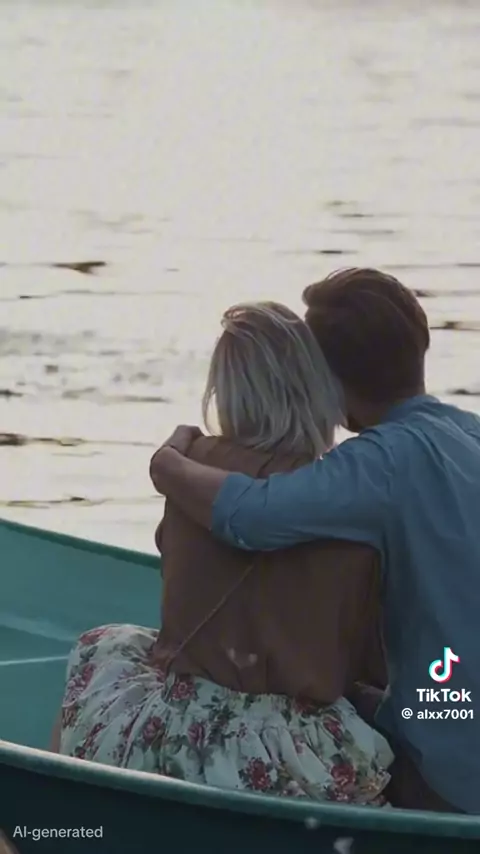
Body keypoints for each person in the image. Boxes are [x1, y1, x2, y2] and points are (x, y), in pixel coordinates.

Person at [149, 268, 480, 815]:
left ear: (325, 377)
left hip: (454, 774)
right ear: (419, 344)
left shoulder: (378, 463)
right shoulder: (468, 433)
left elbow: (249, 514)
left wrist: (167, 465)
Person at [55, 301, 393, 805]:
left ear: (227, 392)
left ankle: (60, 806)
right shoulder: (348, 491)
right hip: (298, 755)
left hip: (180, 732)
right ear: (316, 389)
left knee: (103, 645)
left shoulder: (189, 466)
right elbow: (364, 658)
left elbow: (176, 589)